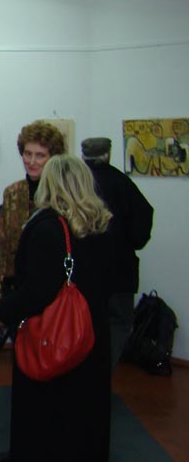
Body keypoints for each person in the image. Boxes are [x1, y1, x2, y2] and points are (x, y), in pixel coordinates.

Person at [0, 154, 113, 462]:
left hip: (53, 334)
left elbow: (37, 291)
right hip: (90, 332)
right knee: (85, 412)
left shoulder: (48, 227)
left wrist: (2, 310)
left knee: (47, 411)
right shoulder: (99, 224)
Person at [0, 120, 66, 362]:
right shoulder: (13, 193)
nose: (32, 161)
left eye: (40, 155)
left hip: (51, 293)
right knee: (23, 360)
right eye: (27, 154)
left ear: (53, 158)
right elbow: (1, 247)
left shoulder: (62, 197)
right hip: (17, 291)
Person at [81, 137, 154, 370]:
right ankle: (103, 372)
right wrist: (128, 242)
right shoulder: (123, 183)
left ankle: (83, 374)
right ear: (108, 155)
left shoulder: (77, 185)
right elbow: (142, 222)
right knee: (118, 324)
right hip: (120, 270)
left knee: (83, 323)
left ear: (83, 156)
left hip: (84, 271)